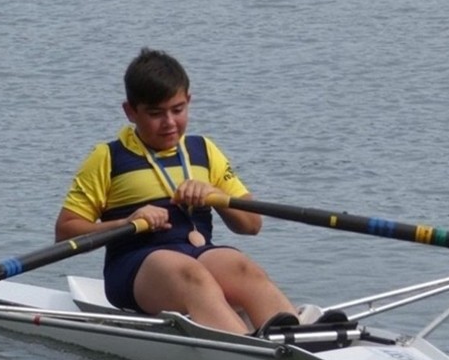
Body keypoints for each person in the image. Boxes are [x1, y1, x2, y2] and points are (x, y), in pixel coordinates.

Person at [55, 48, 314, 334]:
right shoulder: (107, 158)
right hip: (134, 266)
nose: (169, 123)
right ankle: (250, 348)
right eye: (156, 113)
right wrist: (126, 222)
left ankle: (299, 339)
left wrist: (215, 195)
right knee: (190, 275)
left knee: (243, 268)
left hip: (199, 253)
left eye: (177, 110)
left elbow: (252, 225)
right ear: (130, 111)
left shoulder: (204, 150)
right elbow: (65, 232)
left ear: (188, 101)